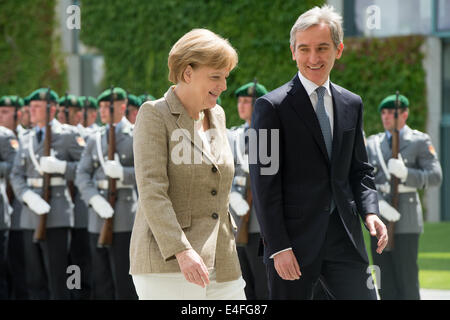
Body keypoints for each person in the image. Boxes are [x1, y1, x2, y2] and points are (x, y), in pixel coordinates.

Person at [249, 5, 388, 300]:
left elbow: (359, 169)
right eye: (304, 49)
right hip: (292, 245)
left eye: (322, 48)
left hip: (345, 239)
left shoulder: (353, 104)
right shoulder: (268, 107)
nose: (313, 58)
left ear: (338, 50)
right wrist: (278, 247)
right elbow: (263, 183)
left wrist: (371, 211)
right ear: (293, 51)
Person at [129, 28, 245, 300]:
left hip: (223, 260)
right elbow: (152, 191)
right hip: (168, 262)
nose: (224, 86)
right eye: (215, 76)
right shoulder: (154, 115)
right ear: (187, 73)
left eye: (225, 77)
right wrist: (182, 251)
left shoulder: (217, 114)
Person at [9, 88, 85, 299]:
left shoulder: (68, 135)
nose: (31, 111)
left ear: (51, 110)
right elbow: (16, 175)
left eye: (36, 107)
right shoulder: (26, 138)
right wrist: (27, 196)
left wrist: (61, 167)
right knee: (34, 278)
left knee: (59, 277)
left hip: (57, 212)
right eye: (30, 107)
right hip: (30, 215)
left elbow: (85, 169)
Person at [365, 94, 442, 300]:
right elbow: (364, 181)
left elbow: (435, 177)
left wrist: (407, 174)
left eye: (392, 112)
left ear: (405, 114)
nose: (387, 117)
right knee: (384, 281)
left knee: (407, 280)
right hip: (381, 219)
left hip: (405, 219)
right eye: (384, 112)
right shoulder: (373, 144)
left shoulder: (419, 141)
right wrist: (378, 204)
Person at [75, 87, 137, 300]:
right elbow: (82, 173)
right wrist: (93, 198)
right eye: (100, 107)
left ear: (122, 106)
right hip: (97, 216)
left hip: (125, 216)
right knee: (101, 280)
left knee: (124, 281)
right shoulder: (95, 138)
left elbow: (149, 173)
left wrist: (123, 173)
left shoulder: (136, 134)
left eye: (106, 107)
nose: (102, 111)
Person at [227, 81, 269, 300]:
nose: (241, 106)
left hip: (260, 224)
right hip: (236, 221)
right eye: (240, 101)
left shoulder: (271, 135)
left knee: (262, 283)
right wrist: (231, 194)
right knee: (242, 287)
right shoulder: (232, 136)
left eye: (247, 101)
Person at [0, 96, 28, 299]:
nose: (1, 116)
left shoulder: (7, 136)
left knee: (17, 270)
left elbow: (16, 168)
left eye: (5, 112)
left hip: (17, 212)